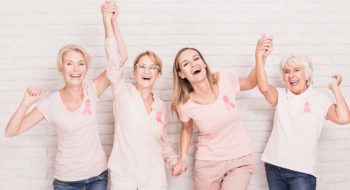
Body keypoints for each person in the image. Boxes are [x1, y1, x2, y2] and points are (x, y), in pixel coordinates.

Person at [5, 44, 110, 188]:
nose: (76, 69)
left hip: (98, 176)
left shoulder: (92, 90)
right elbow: (11, 131)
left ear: (86, 69)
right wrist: (25, 104)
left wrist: (109, 23)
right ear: (61, 69)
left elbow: (119, 61)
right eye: (69, 64)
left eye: (81, 63)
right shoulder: (51, 103)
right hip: (66, 181)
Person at [255, 34, 350, 190]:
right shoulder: (281, 95)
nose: (291, 75)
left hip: (302, 173)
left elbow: (345, 117)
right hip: (274, 168)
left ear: (306, 74)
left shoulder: (319, 100)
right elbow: (264, 87)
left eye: (296, 70)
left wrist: (335, 89)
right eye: (286, 71)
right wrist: (259, 56)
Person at [101, 1, 178, 190]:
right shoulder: (122, 91)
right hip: (123, 173)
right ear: (134, 72)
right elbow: (114, 58)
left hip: (154, 176)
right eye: (142, 66)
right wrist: (109, 22)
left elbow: (163, 142)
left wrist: (174, 162)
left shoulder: (161, 106)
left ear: (158, 74)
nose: (147, 71)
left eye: (153, 67)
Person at [171, 47, 257, 190]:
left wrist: (260, 58)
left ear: (204, 63)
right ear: (181, 74)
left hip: (240, 159)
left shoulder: (224, 79)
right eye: (186, 64)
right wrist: (183, 157)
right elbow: (186, 128)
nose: (193, 64)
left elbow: (250, 82)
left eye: (196, 58)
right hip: (207, 164)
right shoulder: (184, 104)